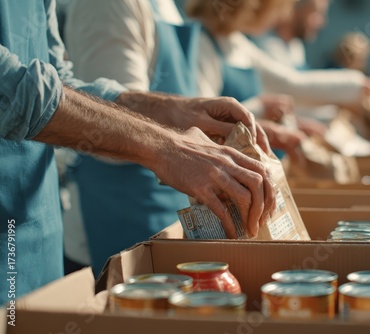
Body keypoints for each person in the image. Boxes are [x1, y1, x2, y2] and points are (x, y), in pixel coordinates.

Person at [0, 0, 275, 304]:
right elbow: (13, 91)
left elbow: (59, 82)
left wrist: (169, 109)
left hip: (41, 226)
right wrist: (166, 145)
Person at [64, 0, 304, 274]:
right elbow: (104, 121)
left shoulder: (167, 7)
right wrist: (176, 147)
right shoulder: (109, 6)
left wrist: (221, 131)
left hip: (170, 211)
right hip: (122, 213)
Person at [187, 0, 370, 112]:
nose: (281, 16)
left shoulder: (235, 41)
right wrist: (261, 110)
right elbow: (199, 118)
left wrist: (358, 86)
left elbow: (292, 84)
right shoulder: (201, 41)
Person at [251, 0, 330, 70]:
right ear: (293, 8)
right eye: (317, 13)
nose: (322, 23)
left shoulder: (295, 46)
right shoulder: (264, 44)